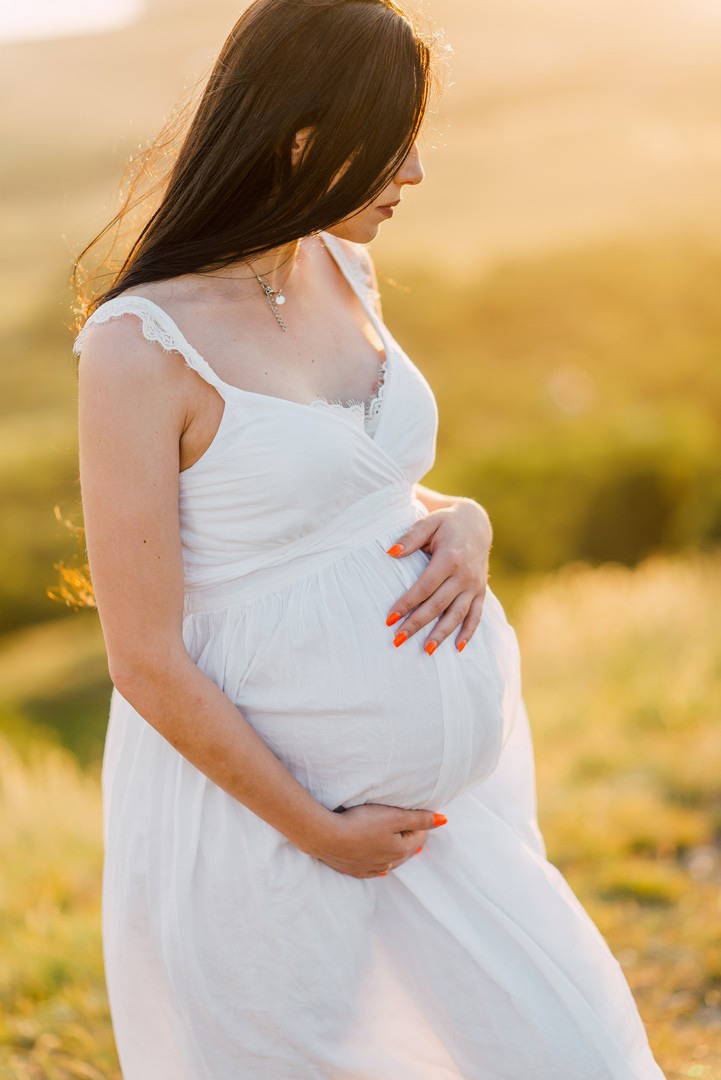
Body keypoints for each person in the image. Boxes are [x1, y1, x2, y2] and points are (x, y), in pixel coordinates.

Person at [71, 0, 667, 1076]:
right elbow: (143, 660)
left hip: (445, 821)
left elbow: (356, 492)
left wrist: (464, 520)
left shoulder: (340, 270)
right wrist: (317, 830)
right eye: (394, 141)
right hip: (265, 834)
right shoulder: (136, 348)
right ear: (303, 133)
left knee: (567, 1051)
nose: (419, 171)